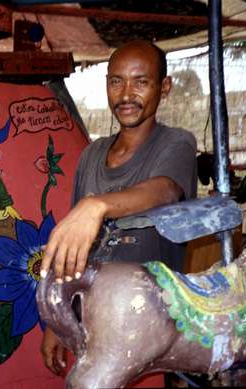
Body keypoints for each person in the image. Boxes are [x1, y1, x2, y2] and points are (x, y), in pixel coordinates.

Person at [39, 40, 197, 375]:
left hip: (149, 327)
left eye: (141, 82)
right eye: (116, 81)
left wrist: (96, 206)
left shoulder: (176, 143)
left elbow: (165, 190)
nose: (126, 95)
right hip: (93, 320)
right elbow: (75, 252)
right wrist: (58, 321)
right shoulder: (91, 155)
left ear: (164, 87)